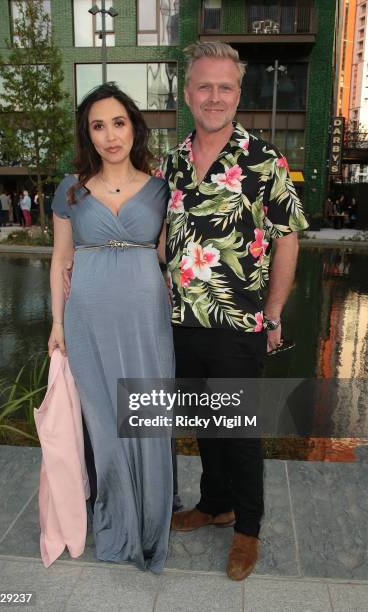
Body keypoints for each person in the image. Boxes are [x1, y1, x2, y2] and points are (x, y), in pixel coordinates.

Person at [164, 42, 308, 581]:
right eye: (205, 85)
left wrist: (273, 313)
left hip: (237, 324)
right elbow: (160, 238)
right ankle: (214, 503)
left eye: (226, 87)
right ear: (187, 93)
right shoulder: (173, 161)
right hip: (182, 324)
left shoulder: (265, 160)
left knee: (238, 431)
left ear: (239, 93)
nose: (215, 96)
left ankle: (247, 529)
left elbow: (288, 240)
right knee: (204, 424)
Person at [47, 83, 174, 573]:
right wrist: (57, 324)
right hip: (88, 320)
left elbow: (167, 256)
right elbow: (60, 261)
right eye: (97, 125)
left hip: (146, 320)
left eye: (118, 122)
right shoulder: (71, 189)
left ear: (133, 127)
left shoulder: (162, 188)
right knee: (104, 426)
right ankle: (118, 526)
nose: (109, 135)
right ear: (88, 134)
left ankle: (151, 519)